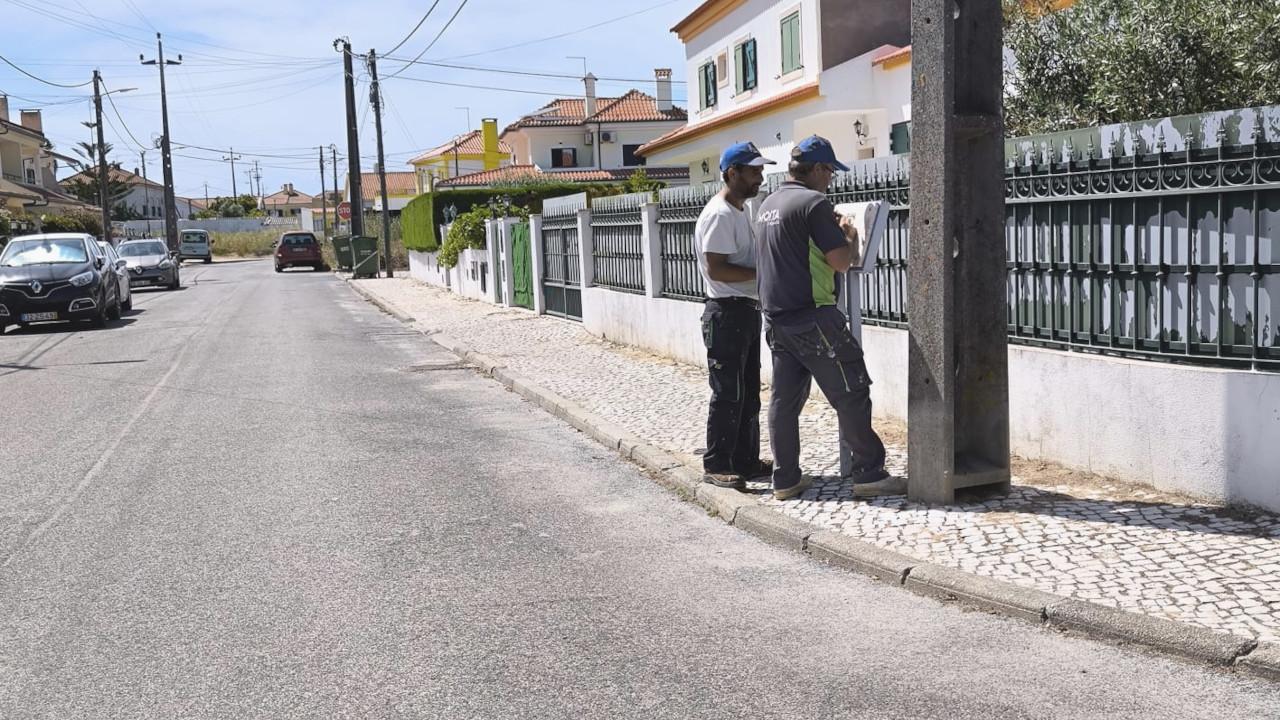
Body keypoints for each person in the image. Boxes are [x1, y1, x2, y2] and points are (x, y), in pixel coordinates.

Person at [754, 135, 903, 500]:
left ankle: (785, 479)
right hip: (814, 317)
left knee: (784, 403)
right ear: (818, 168)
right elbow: (840, 261)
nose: (832, 179)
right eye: (831, 172)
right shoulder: (813, 202)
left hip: (776, 321)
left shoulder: (768, 204)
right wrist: (850, 236)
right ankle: (869, 473)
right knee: (852, 391)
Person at [695, 142, 776, 490]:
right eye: (754, 171)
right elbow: (717, 269)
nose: (760, 177)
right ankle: (717, 465)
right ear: (732, 173)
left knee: (748, 392)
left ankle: (744, 459)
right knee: (727, 392)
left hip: (743, 311)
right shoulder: (720, 215)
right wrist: (763, 274)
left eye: (760, 170)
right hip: (726, 313)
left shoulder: (740, 209)